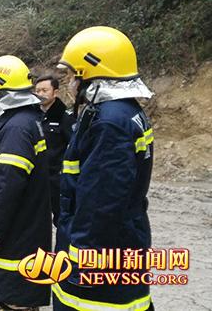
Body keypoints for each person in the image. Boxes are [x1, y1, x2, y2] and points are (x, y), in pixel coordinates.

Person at [53, 26, 155, 310]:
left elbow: (101, 200)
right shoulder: (123, 112)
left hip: (101, 250)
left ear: (91, 72)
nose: (71, 82)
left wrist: (83, 257)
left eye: (74, 75)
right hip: (121, 237)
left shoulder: (110, 122)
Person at [0, 55, 51, 310]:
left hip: (16, 231)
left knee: (15, 299)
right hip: (24, 225)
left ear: (1, 94)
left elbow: (8, 185)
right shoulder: (25, 120)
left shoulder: (16, 128)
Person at [34, 75, 75, 227]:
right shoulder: (33, 115)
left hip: (57, 180)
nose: (40, 94)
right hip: (37, 179)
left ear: (55, 92)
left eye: (45, 90)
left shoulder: (65, 117)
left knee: (62, 221)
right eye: (37, 90)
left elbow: (74, 147)